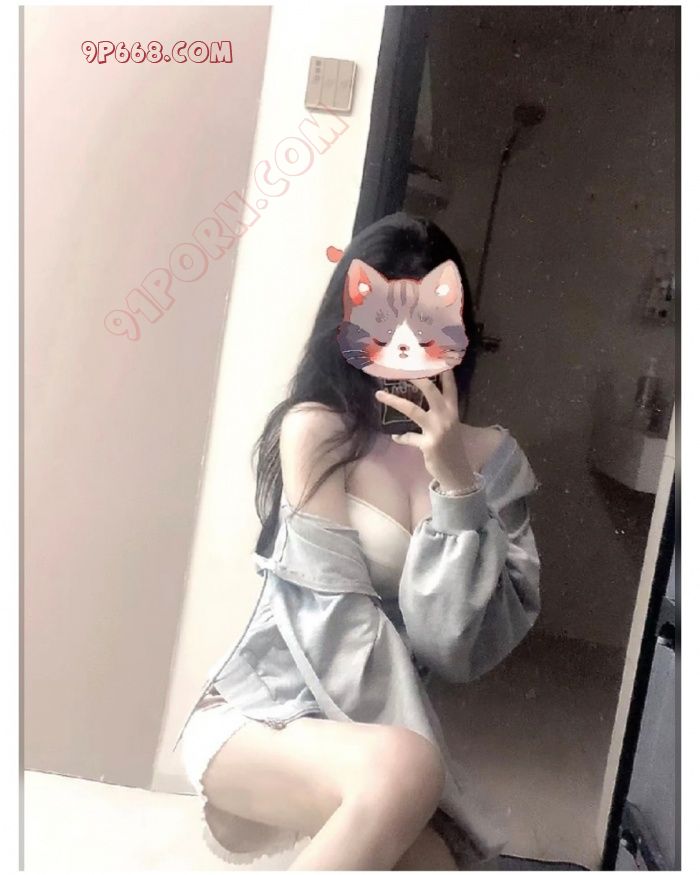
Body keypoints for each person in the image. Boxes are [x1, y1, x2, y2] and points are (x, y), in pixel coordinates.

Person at [174, 212, 542, 870]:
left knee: (434, 858)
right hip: (267, 712)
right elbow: (333, 626)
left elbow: (456, 650)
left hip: (375, 744)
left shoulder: (496, 462)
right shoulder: (317, 431)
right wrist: (432, 779)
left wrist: (456, 483)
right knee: (410, 773)